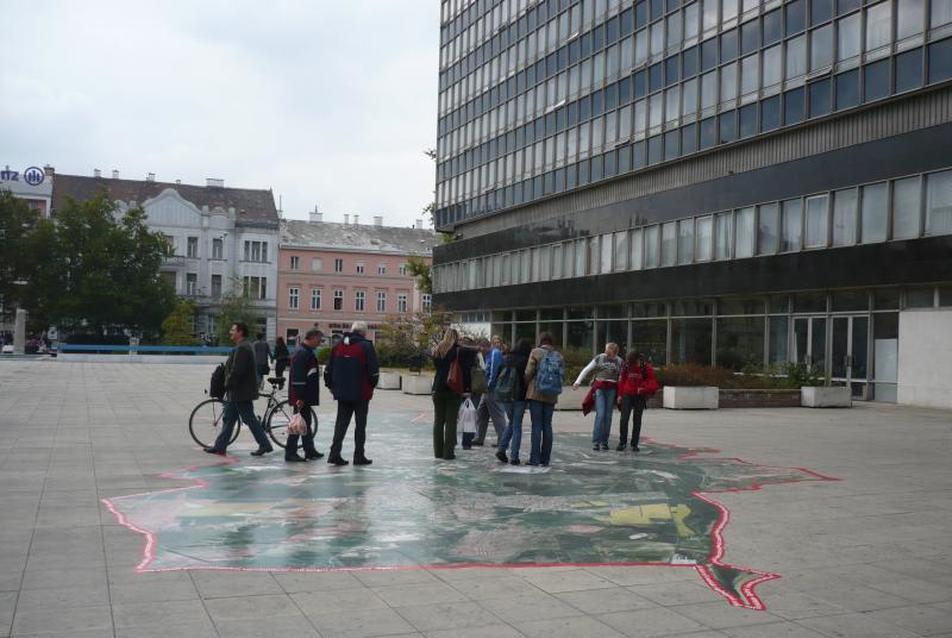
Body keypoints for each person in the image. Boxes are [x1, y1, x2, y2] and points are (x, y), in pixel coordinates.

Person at [204, 322, 274, 457]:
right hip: (237, 391)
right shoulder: (243, 346)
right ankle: (220, 446)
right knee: (229, 418)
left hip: (241, 392)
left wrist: (227, 384)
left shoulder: (243, 348)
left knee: (249, 419)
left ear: (240, 332)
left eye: (233, 330)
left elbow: (237, 371)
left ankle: (265, 444)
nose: (230, 332)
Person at [324, 321, 379, 466]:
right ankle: (359, 456)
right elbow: (374, 371)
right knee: (360, 426)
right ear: (363, 333)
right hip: (361, 392)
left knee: (341, 424)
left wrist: (330, 386)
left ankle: (334, 454)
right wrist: (372, 385)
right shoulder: (366, 346)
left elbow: (328, 369)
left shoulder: (338, 346)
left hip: (342, 392)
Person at [430, 328, 477, 461]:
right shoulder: (458, 351)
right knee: (451, 421)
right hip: (453, 388)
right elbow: (465, 369)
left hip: (437, 388)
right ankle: (448, 453)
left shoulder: (437, 350)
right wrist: (467, 388)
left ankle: (438, 452)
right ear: (456, 338)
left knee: (438, 421)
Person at [573, 342, 624, 451]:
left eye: (610, 352)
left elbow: (621, 378)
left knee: (608, 415)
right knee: (601, 414)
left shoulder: (619, 361)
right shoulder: (600, 358)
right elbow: (587, 369)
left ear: (614, 352)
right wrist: (578, 382)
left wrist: (620, 394)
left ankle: (604, 442)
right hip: (600, 388)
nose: (607, 354)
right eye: (607, 351)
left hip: (611, 389)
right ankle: (596, 441)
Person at [524, 332, 564, 466]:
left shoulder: (535, 352)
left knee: (536, 425)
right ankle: (545, 459)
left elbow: (529, 372)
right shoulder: (558, 356)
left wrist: (525, 384)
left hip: (535, 393)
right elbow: (561, 376)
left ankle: (534, 459)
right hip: (551, 395)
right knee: (547, 425)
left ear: (540, 341)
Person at [286, 329, 325, 462]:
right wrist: (300, 397)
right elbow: (298, 378)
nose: (319, 343)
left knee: (306, 423)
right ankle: (290, 452)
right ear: (312, 337)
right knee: (298, 424)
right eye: (319, 340)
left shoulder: (305, 352)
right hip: (301, 396)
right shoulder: (302, 353)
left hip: (304, 395)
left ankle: (309, 450)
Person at [495, 338, 532, 465]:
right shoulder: (524, 361)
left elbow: (497, 376)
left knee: (511, 423)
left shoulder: (505, 359)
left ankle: (501, 449)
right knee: (517, 426)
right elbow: (527, 377)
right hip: (519, 397)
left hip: (505, 397)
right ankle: (514, 456)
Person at [616, 351, 659, 452]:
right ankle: (622, 442)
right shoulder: (626, 366)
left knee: (637, 420)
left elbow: (653, 382)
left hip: (639, 396)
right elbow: (622, 381)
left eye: (634, 363)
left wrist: (644, 389)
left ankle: (634, 444)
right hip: (627, 394)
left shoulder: (646, 367)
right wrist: (619, 395)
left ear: (638, 360)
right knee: (624, 419)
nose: (633, 365)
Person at [473, 335, 508, 447]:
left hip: (492, 389)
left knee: (497, 415)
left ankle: (503, 440)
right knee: (481, 412)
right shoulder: (488, 355)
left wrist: (488, 386)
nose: (480, 351)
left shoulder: (494, 354)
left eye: (481, 348)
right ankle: (479, 437)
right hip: (487, 389)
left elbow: (493, 372)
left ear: (485, 346)